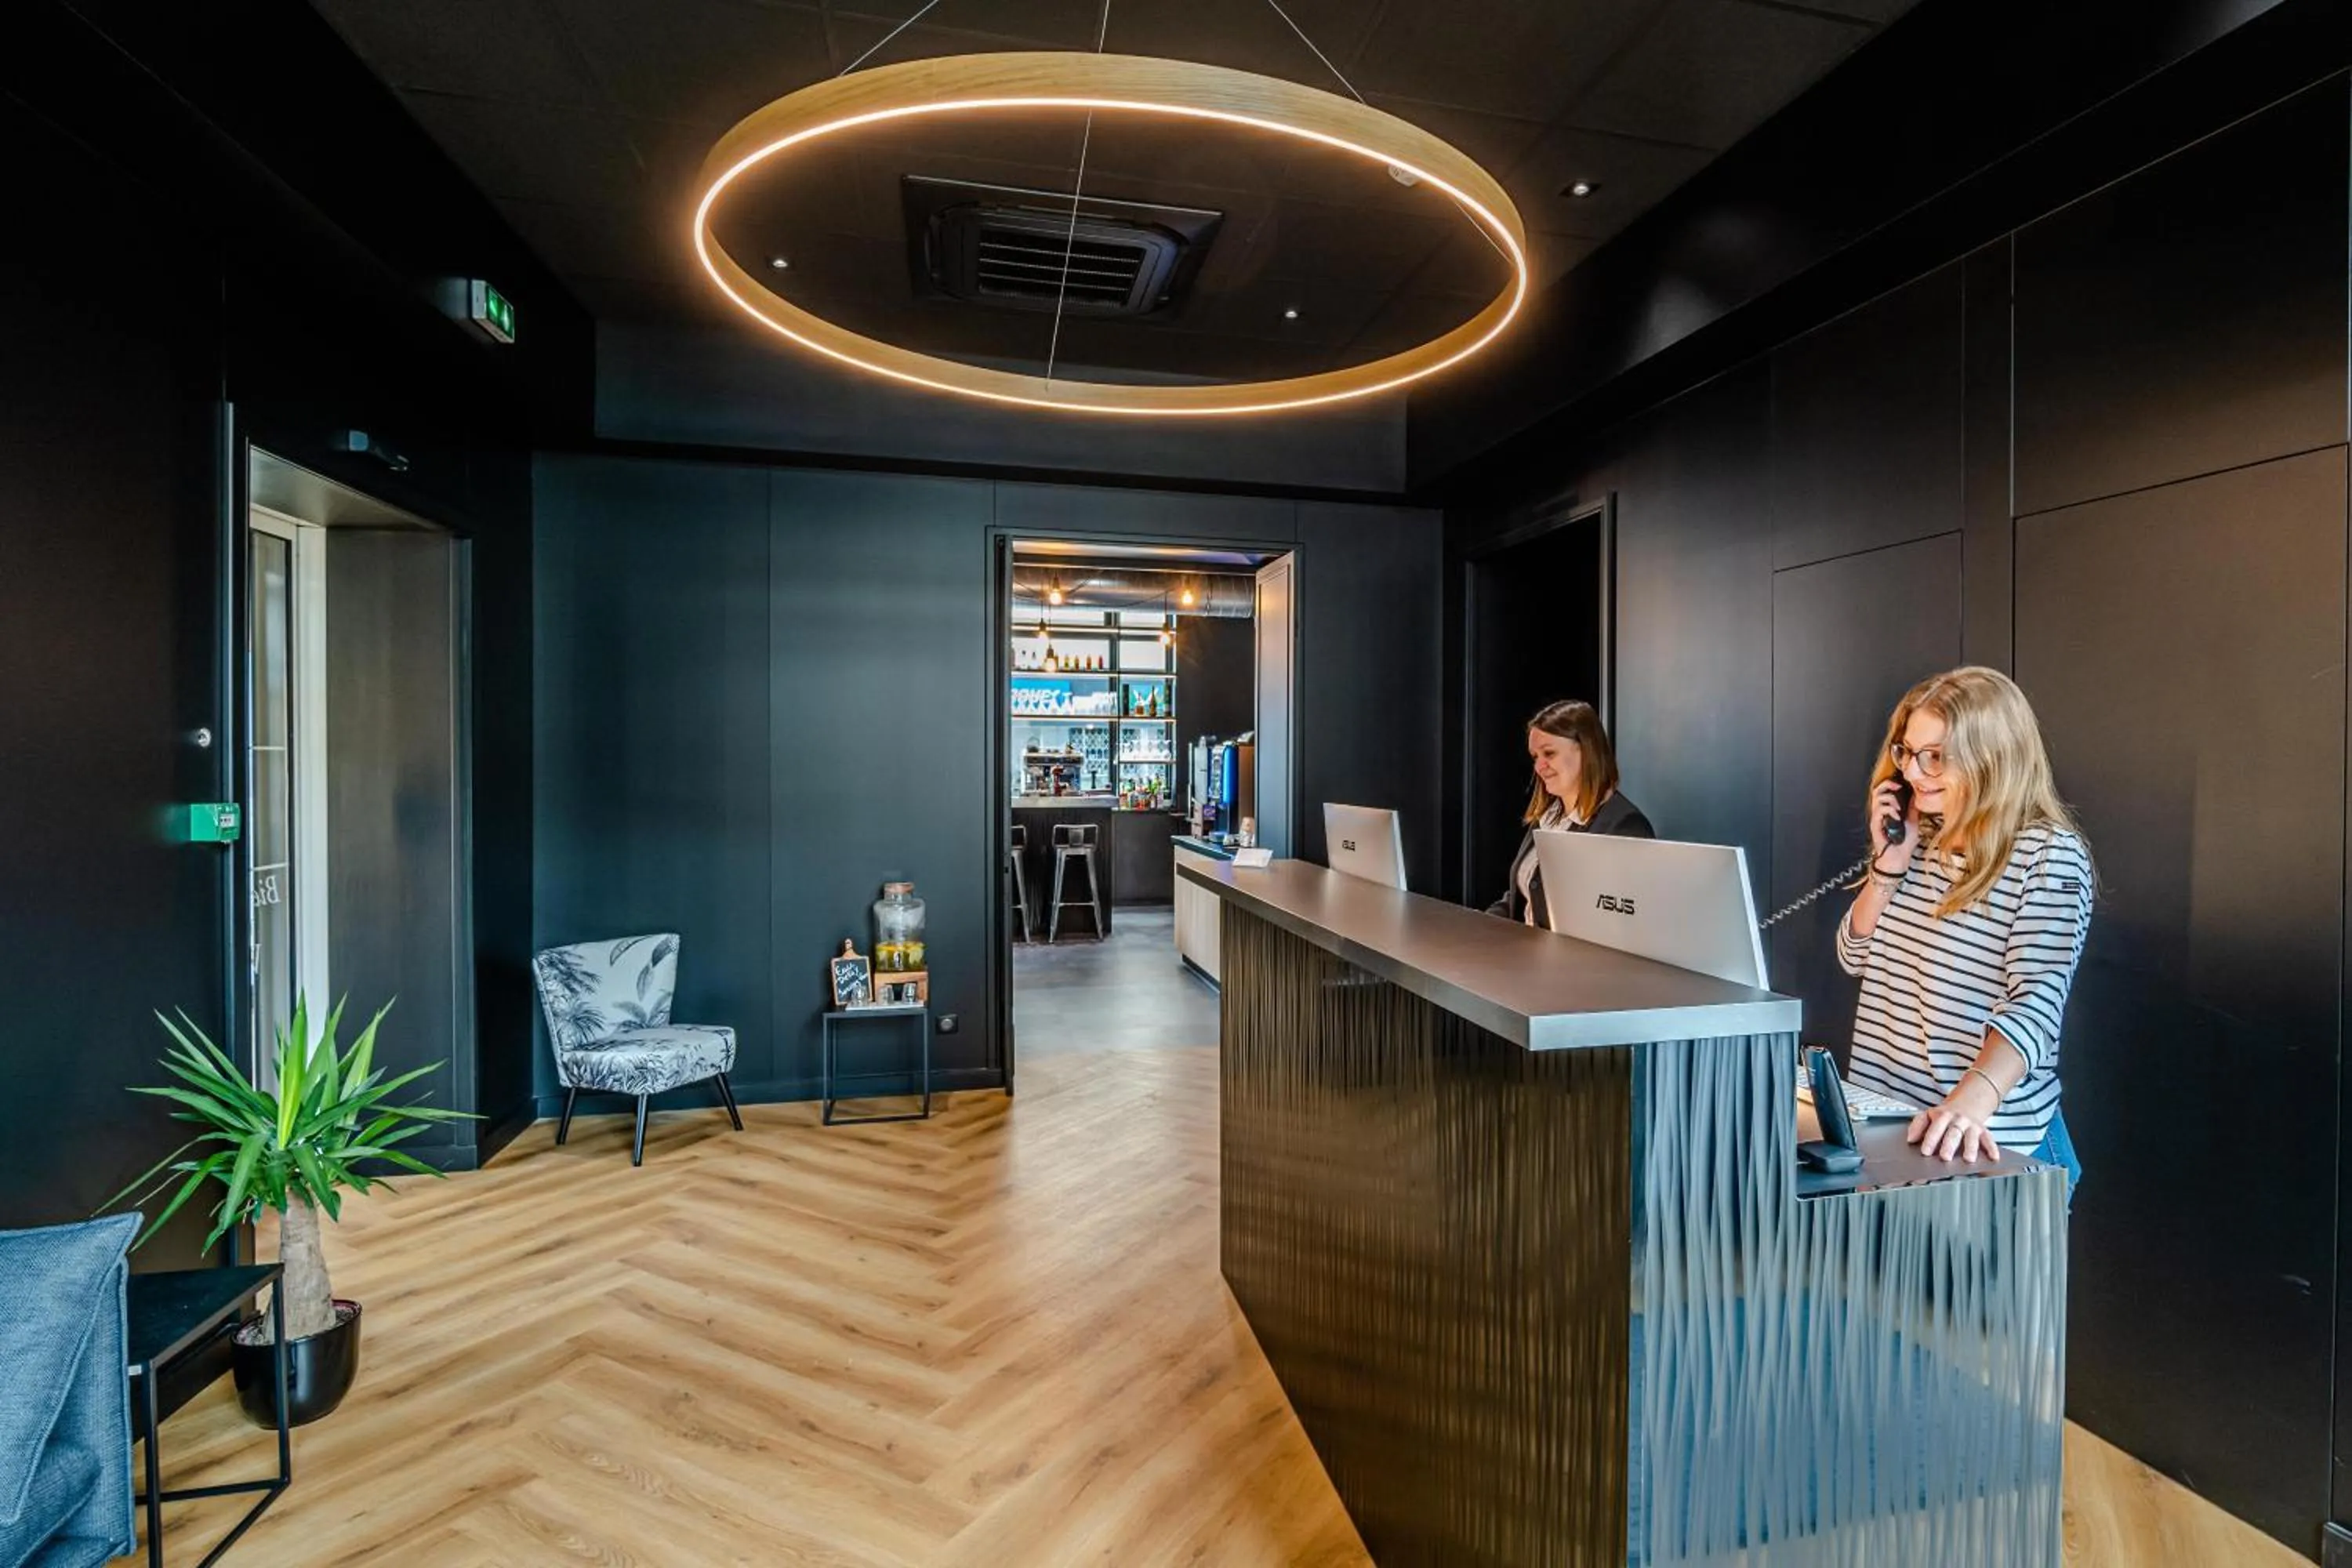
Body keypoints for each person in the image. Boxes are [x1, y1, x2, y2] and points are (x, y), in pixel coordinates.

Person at [1836, 666, 2092, 1191]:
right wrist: (1887, 866)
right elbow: (1853, 955)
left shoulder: (2048, 856)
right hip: (1894, 1127)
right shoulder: (1916, 841)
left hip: (1984, 1141)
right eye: (1908, 752)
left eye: (1937, 755)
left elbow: (2037, 1001)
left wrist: (1971, 1101)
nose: (1913, 772)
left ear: (1992, 756)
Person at [1488, 699, 1654, 928]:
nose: (1539, 767)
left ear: (1586, 750)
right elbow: (1523, 896)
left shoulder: (1624, 825)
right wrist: (1477, 924)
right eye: (1535, 757)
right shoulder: (1546, 817)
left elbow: (1622, 925)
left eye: (1549, 753)